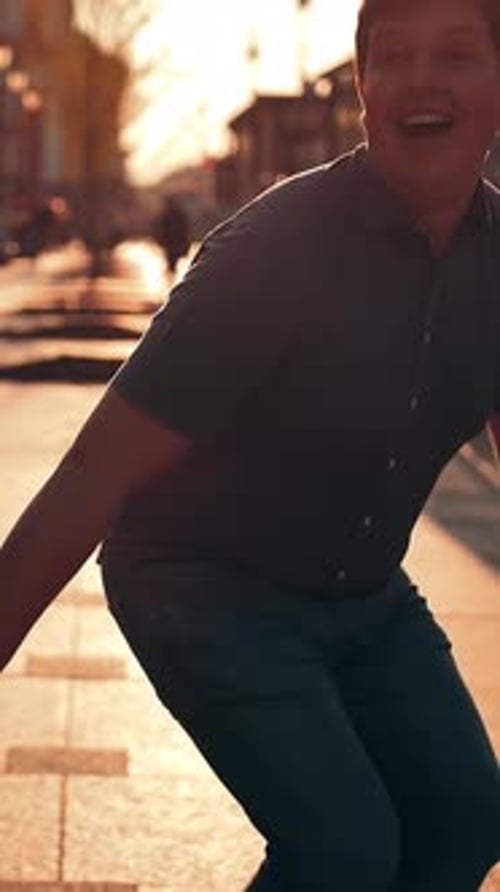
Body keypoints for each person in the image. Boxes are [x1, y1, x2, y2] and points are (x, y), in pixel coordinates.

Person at [1, 0, 500, 888]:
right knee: (343, 847)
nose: (422, 79)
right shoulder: (279, 250)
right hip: (202, 583)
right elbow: (91, 474)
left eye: (456, 54)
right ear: (363, 87)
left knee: (466, 820)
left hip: (364, 594)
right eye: (394, 57)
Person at [152, 195, 191, 279]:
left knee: (171, 259)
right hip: (174, 241)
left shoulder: (167, 214)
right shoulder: (178, 214)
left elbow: (161, 228)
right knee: (173, 259)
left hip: (171, 242)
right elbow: (185, 228)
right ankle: (171, 276)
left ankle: (170, 276)